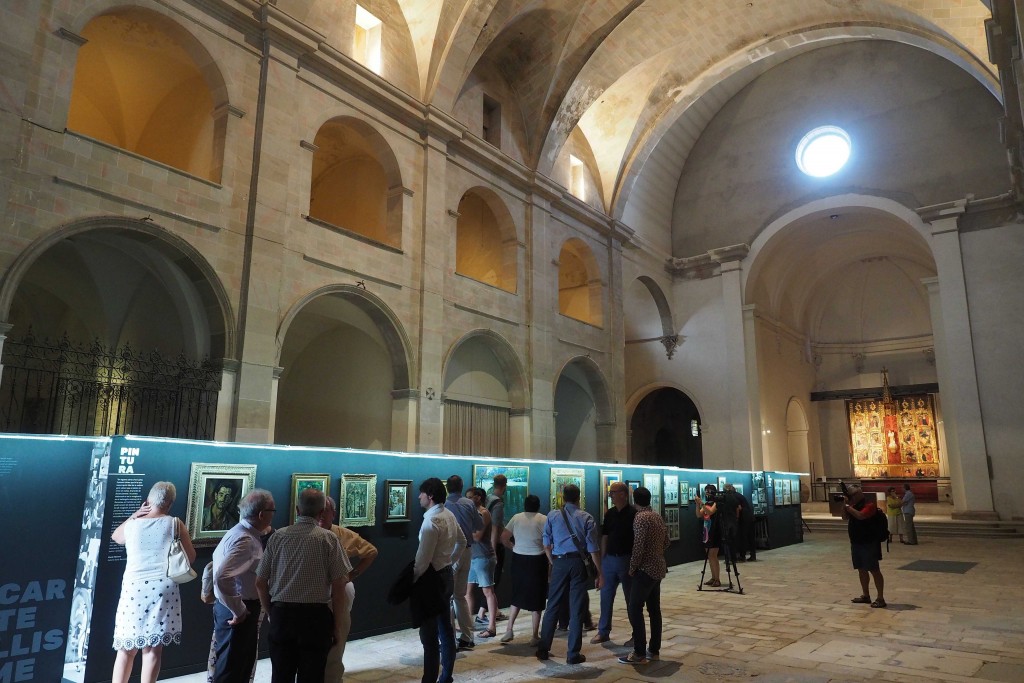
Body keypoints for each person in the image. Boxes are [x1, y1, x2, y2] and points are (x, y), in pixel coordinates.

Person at [256, 487, 351, 683]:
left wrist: (271, 612)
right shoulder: (328, 539)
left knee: (281, 676)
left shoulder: (278, 537)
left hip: (282, 615)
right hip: (315, 619)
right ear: (322, 511)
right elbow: (339, 586)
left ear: (297, 510)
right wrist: (338, 626)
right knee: (312, 676)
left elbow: (260, 582)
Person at [111, 481, 196, 683]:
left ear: (148, 500)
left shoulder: (132, 525)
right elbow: (190, 557)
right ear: (170, 503)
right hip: (162, 587)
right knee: (152, 650)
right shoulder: (175, 523)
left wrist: (134, 515)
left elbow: (116, 537)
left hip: (133, 588)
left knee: (125, 649)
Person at [210, 489, 276, 683]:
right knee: (232, 668)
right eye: (273, 510)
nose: (274, 514)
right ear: (262, 514)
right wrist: (239, 610)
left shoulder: (239, 533)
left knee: (238, 665)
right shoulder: (245, 539)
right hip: (238, 612)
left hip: (233, 609)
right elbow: (222, 577)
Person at [535, 483, 603, 666]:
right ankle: (572, 653)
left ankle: (543, 649)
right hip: (578, 563)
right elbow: (593, 548)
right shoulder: (586, 517)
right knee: (577, 608)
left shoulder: (553, 515)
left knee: (553, 605)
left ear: (563, 498)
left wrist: (552, 561)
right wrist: (600, 572)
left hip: (559, 562)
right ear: (578, 497)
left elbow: (546, 544)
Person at [319, 495, 379, 683]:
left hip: (338, 596)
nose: (321, 514)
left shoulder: (342, 534)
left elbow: (371, 552)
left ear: (333, 514)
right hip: (313, 598)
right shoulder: (306, 534)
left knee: (336, 646)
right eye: (318, 509)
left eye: (325, 510)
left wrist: (351, 575)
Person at [414, 477, 461, 683]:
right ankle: (446, 676)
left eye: (421, 493)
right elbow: (463, 541)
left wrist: (412, 580)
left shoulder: (431, 521)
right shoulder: (448, 514)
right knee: (446, 630)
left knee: (430, 637)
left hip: (431, 581)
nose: (419, 497)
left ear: (430, 496)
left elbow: (422, 560)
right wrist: (451, 561)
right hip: (446, 574)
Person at [618, 486, 669, 665]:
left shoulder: (640, 518)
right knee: (654, 610)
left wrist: (632, 567)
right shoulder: (656, 516)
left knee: (634, 608)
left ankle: (639, 652)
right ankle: (654, 649)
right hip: (659, 567)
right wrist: (656, 554)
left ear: (634, 499)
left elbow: (638, 546)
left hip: (645, 570)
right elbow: (667, 541)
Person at [498, 494, 548, 645]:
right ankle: (534, 635)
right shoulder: (543, 519)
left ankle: (509, 629)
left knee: (517, 593)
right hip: (538, 560)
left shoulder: (516, 517)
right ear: (538, 505)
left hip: (519, 559)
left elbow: (504, 537)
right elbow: (547, 542)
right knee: (537, 597)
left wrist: (515, 548)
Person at [591, 481, 635, 644]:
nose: (610, 495)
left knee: (631, 599)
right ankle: (603, 631)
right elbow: (604, 537)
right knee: (605, 596)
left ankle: (636, 633)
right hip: (609, 560)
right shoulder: (609, 514)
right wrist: (601, 565)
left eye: (613, 492)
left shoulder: (633, 514)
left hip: (627, 559)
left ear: (623, 494)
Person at [444, 474, 483, 651]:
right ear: (461, 487)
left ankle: (449, 637)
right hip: (467, 551)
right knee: (460, 596)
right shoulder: (468, 504)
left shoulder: (443, 506)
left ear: (447, 488)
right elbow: (478, 525)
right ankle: (467, 637)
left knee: (448, 597)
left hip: (450, 553)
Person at [842, 484, 886, 608]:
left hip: (869, 543)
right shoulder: (853, 506)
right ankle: (866, 595)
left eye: (852, 495)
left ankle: (880, 598)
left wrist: (848, 506)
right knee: (861, 569)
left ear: (858, 494)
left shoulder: (869, 505)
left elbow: (861, 516)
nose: (851, 498)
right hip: (856, 542)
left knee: (874, 570)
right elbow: (844, 517)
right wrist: (844, 505)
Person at [465, 487, 499, 638]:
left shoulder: (483, 513)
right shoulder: (472, 513)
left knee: (488, 592)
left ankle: (491, 627)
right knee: (468, 592)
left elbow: (477, 536)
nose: (467, 500)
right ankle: (467, 623)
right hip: (472, 557)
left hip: (483, 557)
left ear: (478, 498)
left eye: (470, 497)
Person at [481, 474, 508, 623]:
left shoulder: (488, 498)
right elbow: (495, 528)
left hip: (483, 544)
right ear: (504, 486)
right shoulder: (498, 503)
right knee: (493, 580)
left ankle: (493, 610)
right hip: (494, 545)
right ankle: (482, 612)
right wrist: (493, 551)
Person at [695, 485, 722, 587]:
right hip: (707, 530)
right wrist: (698, 504)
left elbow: (710, 511)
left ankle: (717, 578)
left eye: (709, 491)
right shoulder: (706, 503)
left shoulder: (717, 503)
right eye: (706, 491)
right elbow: (699, 515)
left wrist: (701, 503)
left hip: (715, 530)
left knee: (713, 555)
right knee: (708, 555)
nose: (707, 493)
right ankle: (713, 577)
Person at [729, 484, 756, 562]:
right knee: (750, 537)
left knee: (743, 537)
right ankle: (753, 555)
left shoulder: (734, 497)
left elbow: (739, 508)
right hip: (750, 517)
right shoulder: (739, 495)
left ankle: (742, 556)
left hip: (744, 518)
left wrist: (736, 518)